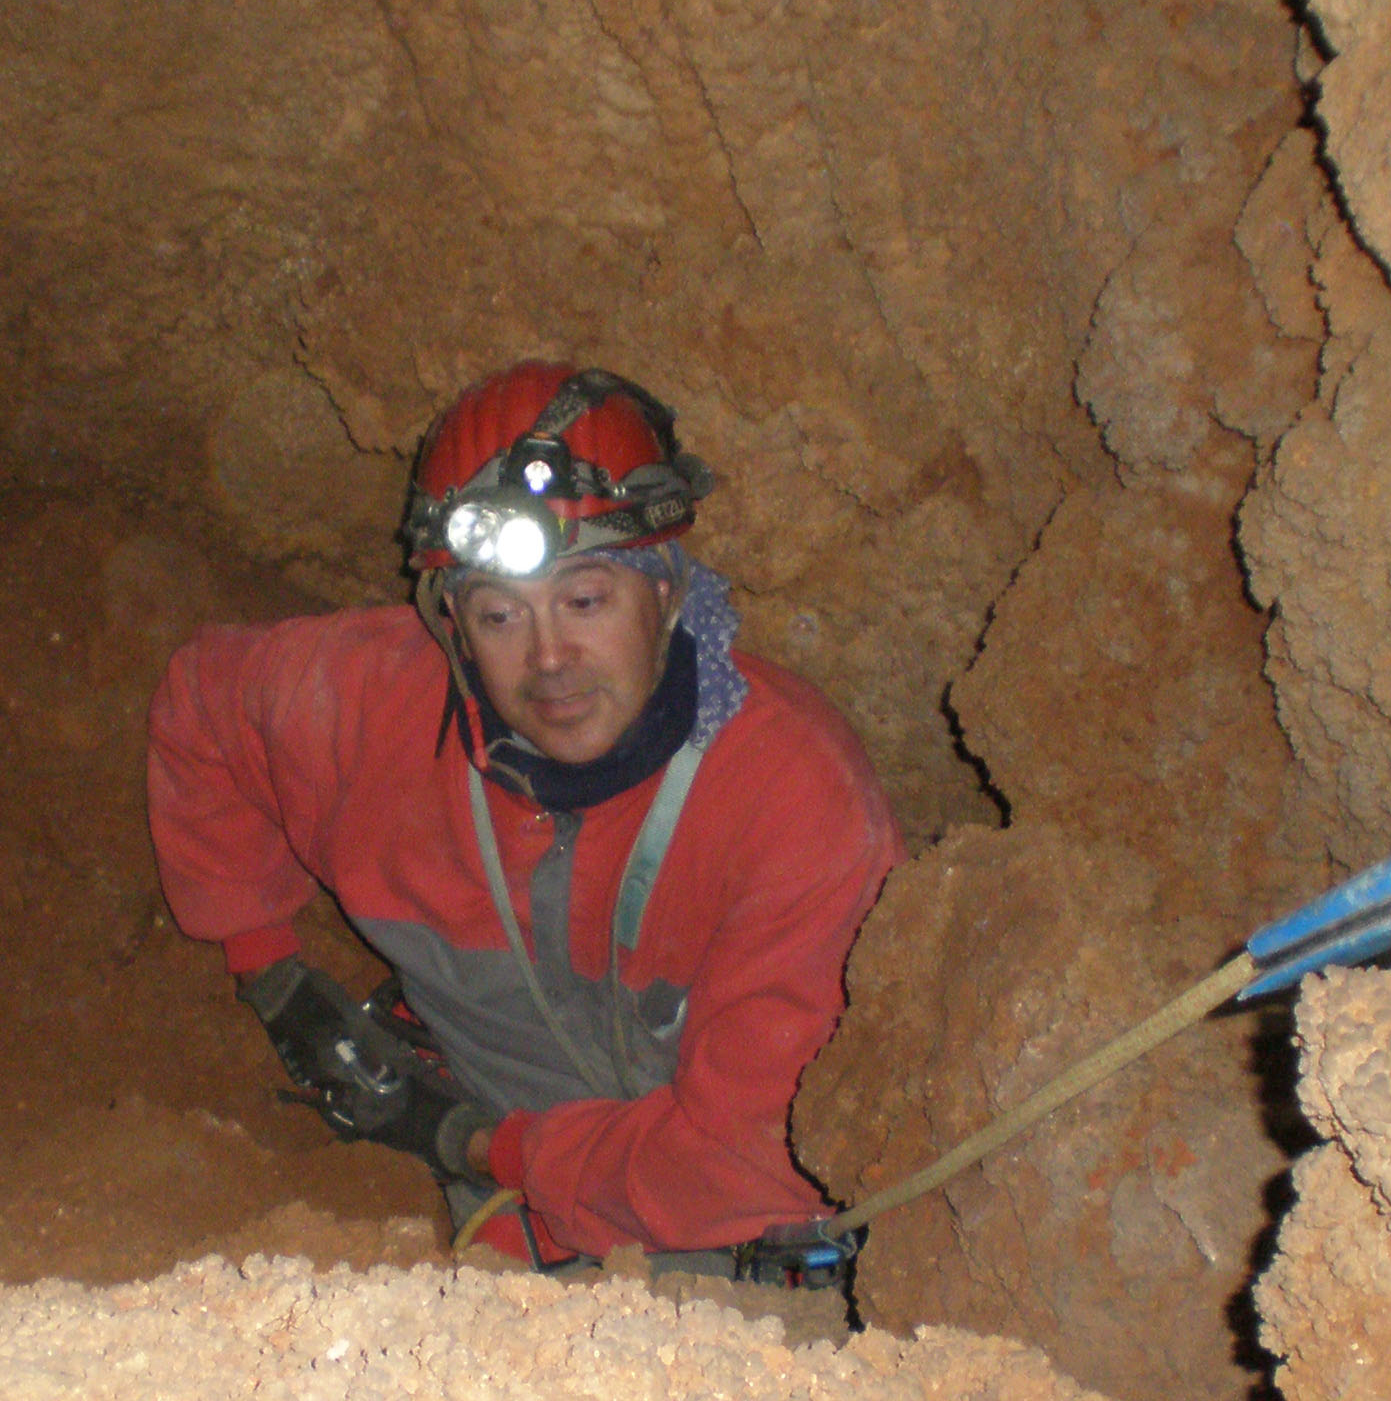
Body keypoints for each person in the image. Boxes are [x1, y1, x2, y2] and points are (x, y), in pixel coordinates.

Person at [144, 361, 903, 1280]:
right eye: (501, 615)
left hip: (715, 1237)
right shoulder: (377, 707)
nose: (549, 660)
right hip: (510, 1193)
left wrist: (479, 1150)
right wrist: (269, 969)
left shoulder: (793, 796)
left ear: (666, 590)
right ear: (451, 624)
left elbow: (756, 1154)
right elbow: (205, 704)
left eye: (585, 601)